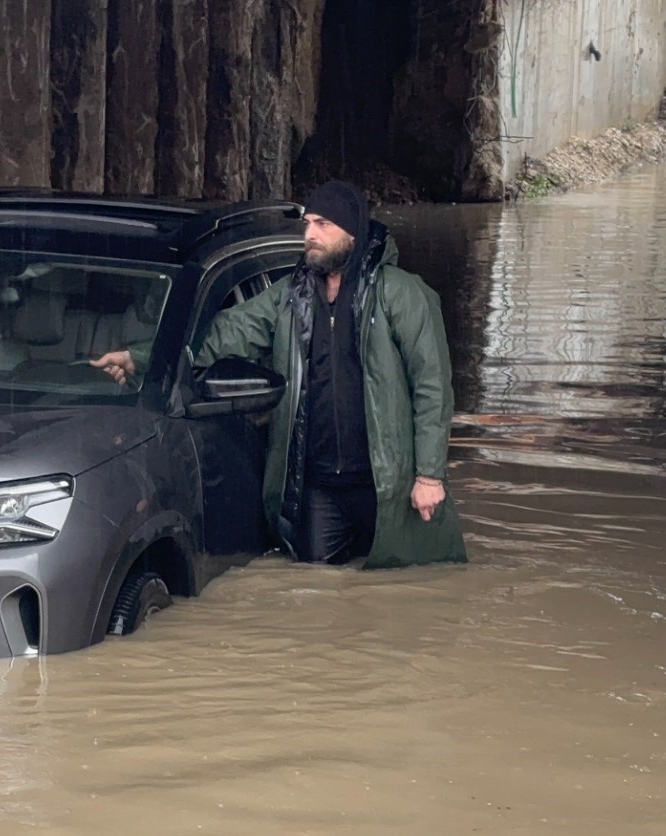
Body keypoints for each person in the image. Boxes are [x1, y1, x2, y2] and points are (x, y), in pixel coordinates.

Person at [91, 180, 467, 569]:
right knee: (314, 587)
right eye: (307, 225)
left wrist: (429, 476)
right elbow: (226, 334)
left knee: (402, 589)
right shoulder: (291, 295)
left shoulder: (404, 295)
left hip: (388, 481)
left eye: (322, 224)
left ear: (352, 230)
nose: (310, 235)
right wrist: (144, 359)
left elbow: (432, 388)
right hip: (318, 486)